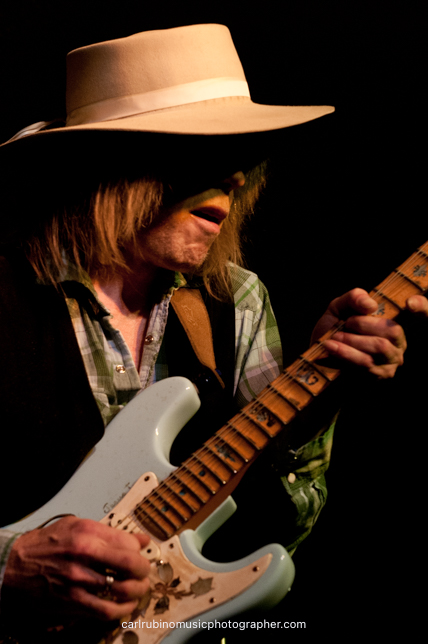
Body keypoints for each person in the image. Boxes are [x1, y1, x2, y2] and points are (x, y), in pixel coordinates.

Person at [0, 23, 425, 639]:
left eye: (244, 154)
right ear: (105, 162)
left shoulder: (237, 300)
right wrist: (9, 565)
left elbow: (283, 530)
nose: (236, 177)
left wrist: (317, 400)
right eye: (204, 148)